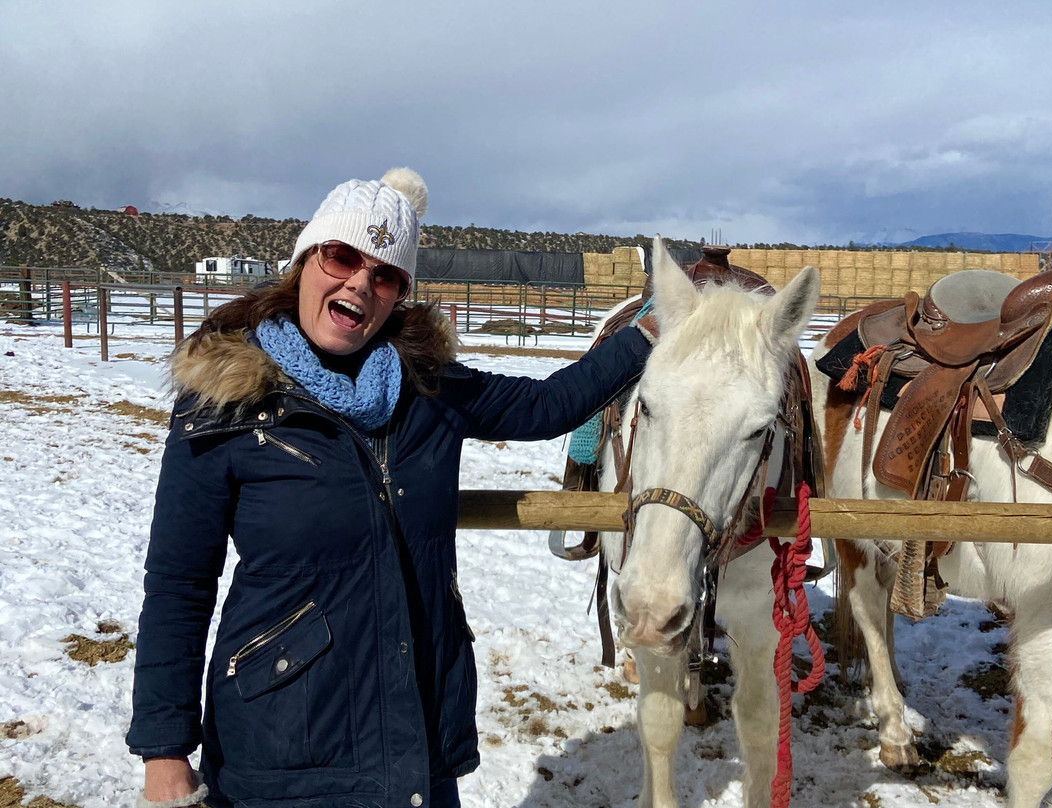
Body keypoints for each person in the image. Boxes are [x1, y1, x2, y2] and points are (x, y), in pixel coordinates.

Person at [126, 168, 657, 808]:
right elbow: (179, 581)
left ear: (398, 294)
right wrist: (165, 751)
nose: (359, 282)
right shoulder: (226, 398)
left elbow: (547, 406)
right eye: (343, 256)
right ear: (304, 261)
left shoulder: (429, 388)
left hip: (415, 735)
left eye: (385, 274)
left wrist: (650, 334)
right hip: (283, 743)